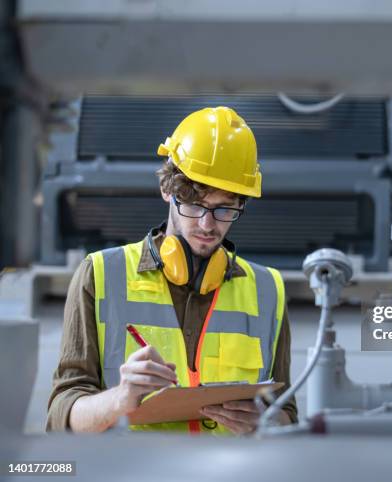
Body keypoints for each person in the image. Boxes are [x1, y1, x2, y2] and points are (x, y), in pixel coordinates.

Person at [47, 106, 297, 435]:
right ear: (167, 190)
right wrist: (120, 399)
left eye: (224, 209)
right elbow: (60, 418)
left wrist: (266, 422)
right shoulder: (101, 274)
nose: (208, 225)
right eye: (194, 205)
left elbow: (288, 415)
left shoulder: (268, 290)